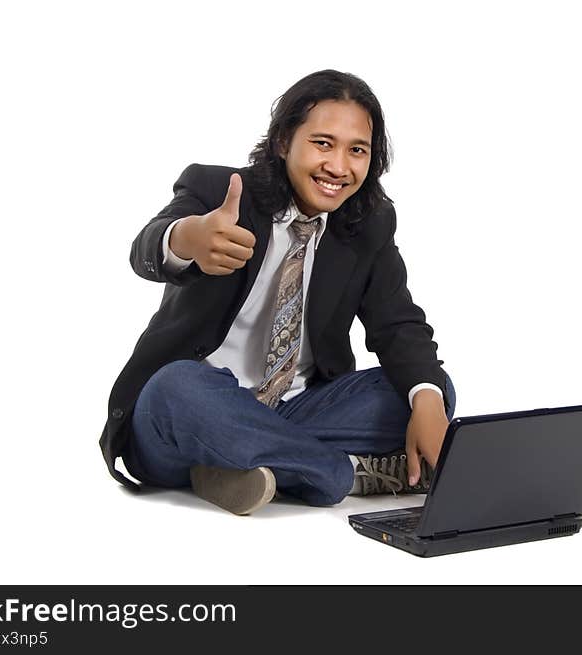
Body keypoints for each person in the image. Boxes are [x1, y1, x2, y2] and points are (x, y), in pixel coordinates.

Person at [99, 69, 456, 514]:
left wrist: (426, 398)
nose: (338, 167)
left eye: (357, 150)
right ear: (285, 141)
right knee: (175, 385)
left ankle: (244, 464)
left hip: (298, 410)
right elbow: (146, 247)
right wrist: (188, 238)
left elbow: (398, 324)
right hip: (189, 411)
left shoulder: (367, 223)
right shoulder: (218, 189)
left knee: (429, 388)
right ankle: (342, 473)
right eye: (323, 143)